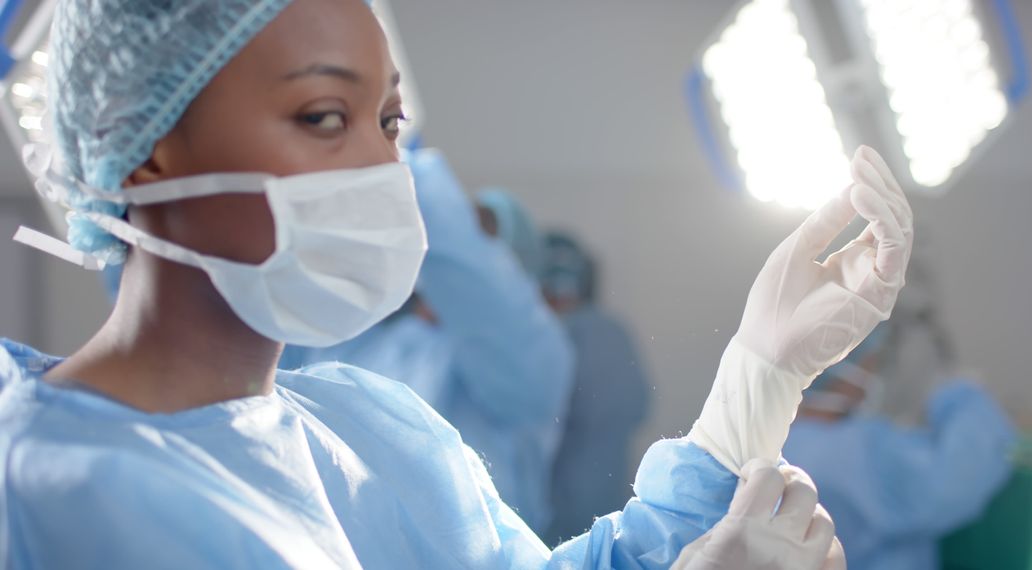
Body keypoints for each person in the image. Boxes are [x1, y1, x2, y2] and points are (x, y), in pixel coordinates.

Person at [1, 0, 910, 566]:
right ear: (146, 148)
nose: (381, 169)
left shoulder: (367, 429)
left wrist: (759, 376)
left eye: (389, 122)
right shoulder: (57, 494)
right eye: (324, 116)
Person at [277, 156, 574, 530]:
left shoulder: (531, 348)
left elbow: (481, 290)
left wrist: (400, 165)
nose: (439, 248)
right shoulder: (377, 338)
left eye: (476, 234)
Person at [783, 324, 1016, 570]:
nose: (872, 375)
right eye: (869, 364)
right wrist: (962, 397)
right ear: (838, 369)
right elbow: (956, 476)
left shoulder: (778, 445)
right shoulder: (857, 451)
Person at [540, 232, 650, 543]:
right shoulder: (613, 331)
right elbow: (639, 406)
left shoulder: (558, 334)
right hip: (607, 497)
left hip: (562, 502)